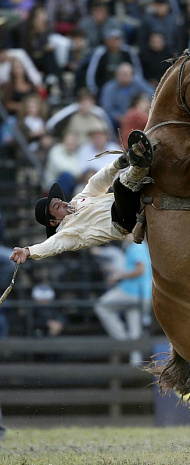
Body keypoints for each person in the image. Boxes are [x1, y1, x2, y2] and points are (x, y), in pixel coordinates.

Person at [9, 133, 155, 265]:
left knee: (123, 184)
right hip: (122, 221)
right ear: (54, 222)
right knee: (120, 184)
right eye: (57, 206)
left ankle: (143, 160)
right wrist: (28, 251)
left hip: (123, 204)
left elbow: (94, 185)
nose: (61, 201)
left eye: (58, 200)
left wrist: (115, 165)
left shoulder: (76, 202)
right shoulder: (67, 234)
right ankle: (140, 162)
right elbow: (51, 245)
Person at [94, 234, 152, 365]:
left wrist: (118, 275)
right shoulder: (143, 247)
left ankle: (123, 341)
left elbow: (140, 270)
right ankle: (135, 364)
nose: (125, 236)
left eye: (128, 233)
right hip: (143, 295)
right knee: (135, 331)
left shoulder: (136, 246)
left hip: (131, 292)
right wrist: (115, 271)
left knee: (101, 306)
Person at [100, 62, 154, 130]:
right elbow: (107, 108)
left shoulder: (137, 82)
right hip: (116, 120)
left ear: (132, 75)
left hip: (136, 115)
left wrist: (142, 101)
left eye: (127, 74)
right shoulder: (109, 88)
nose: (124, 77)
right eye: (122, 74)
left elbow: (151, 93)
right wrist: (120, 117)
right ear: (117, 75)